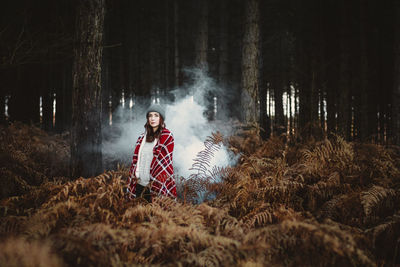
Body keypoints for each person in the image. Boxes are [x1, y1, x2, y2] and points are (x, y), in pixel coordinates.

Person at [126, 104, 177, 202]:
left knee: (156, 214)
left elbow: (164, 163)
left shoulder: (167, 136)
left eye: (156, 115)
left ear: (161, 118)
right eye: (150, 116)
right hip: (139, 184)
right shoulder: (142, 138)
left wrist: (155, 181)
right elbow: (136, 161)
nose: (152, 118)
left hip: (156, 184)